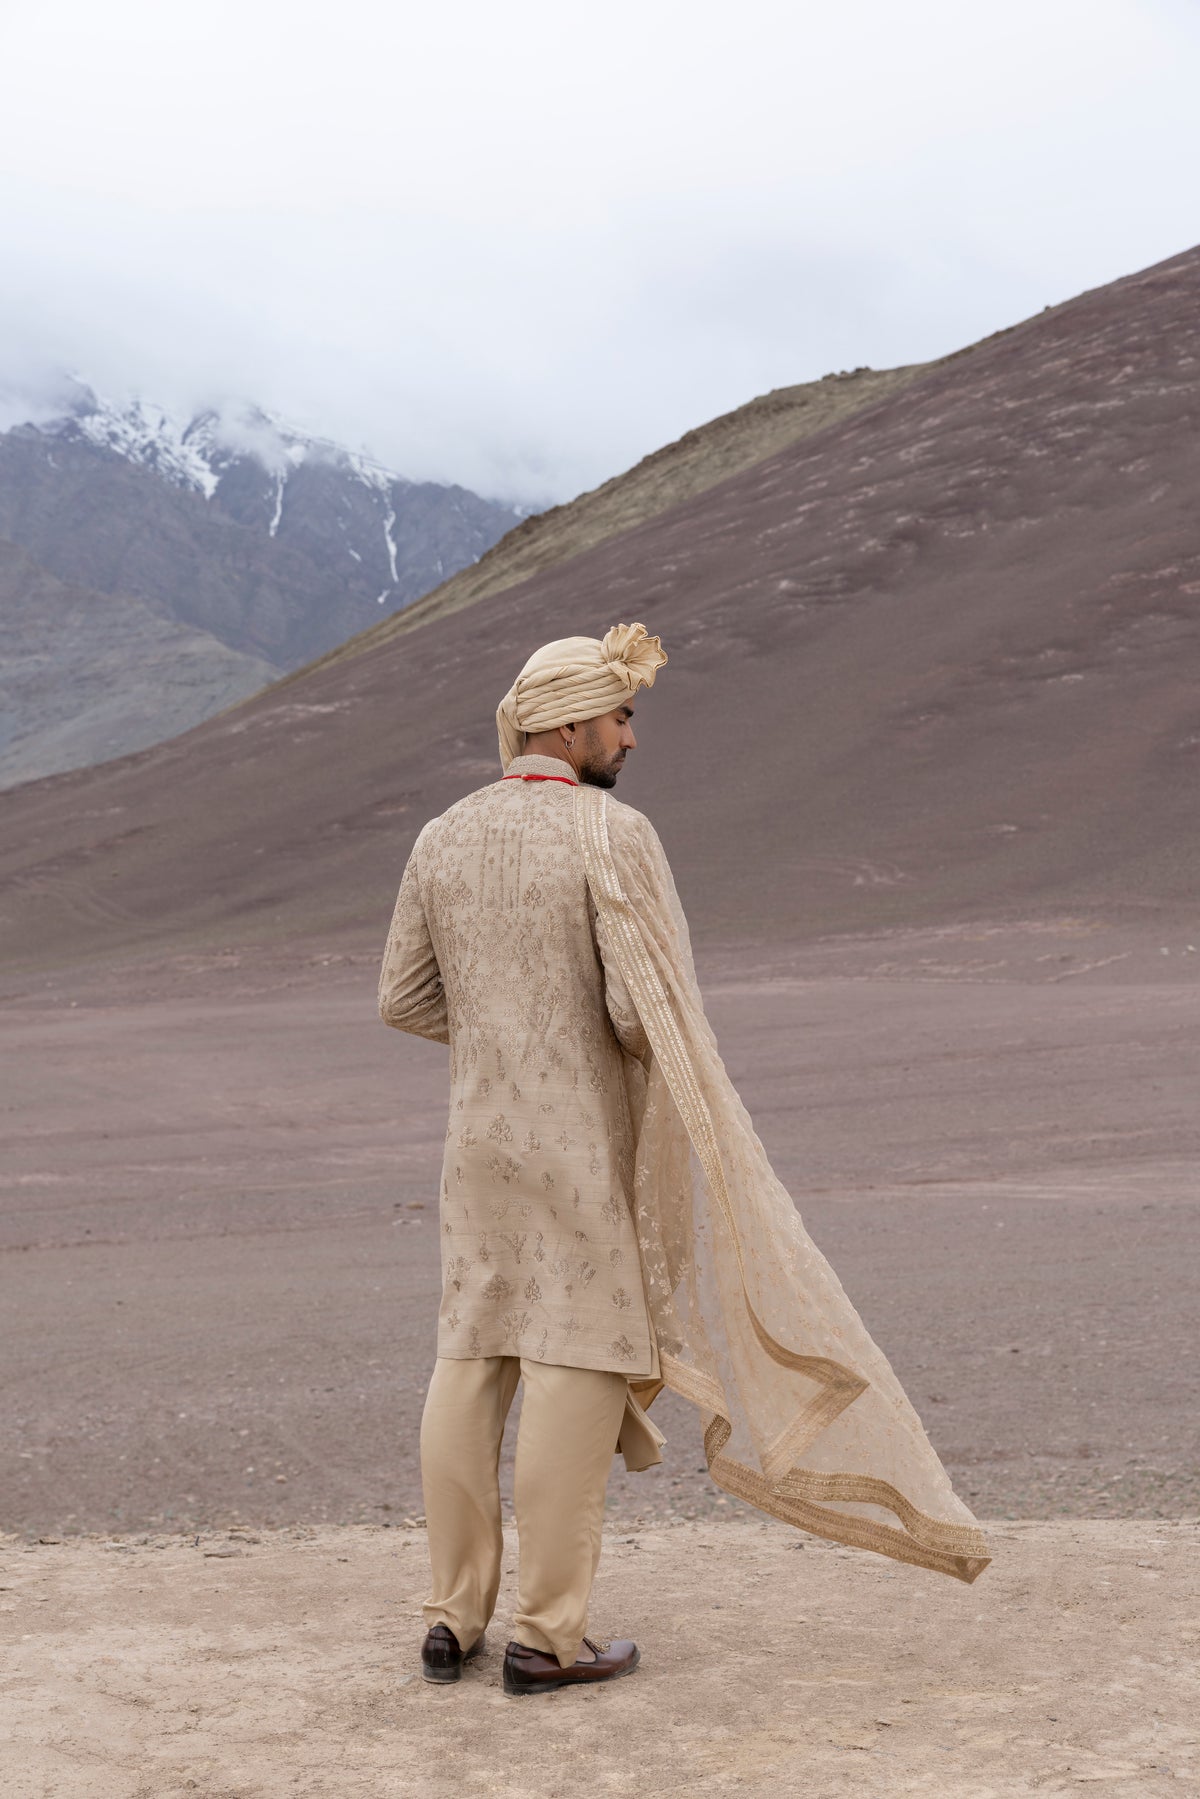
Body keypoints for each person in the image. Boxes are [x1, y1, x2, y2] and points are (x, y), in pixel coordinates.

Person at [378, 622, 990, 1697]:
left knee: (470, 1357)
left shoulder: (442, 834)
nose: (629, 737)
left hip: (476, 1145)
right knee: (573, 1363)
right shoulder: (611, 834)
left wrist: (500, 1035)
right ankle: (545, 1636)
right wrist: (574, 1043)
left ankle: (450, 1615)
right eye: (621, 716)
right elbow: (637, 1009)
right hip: (579, 1143)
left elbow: (404, 996)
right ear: (569, 723)